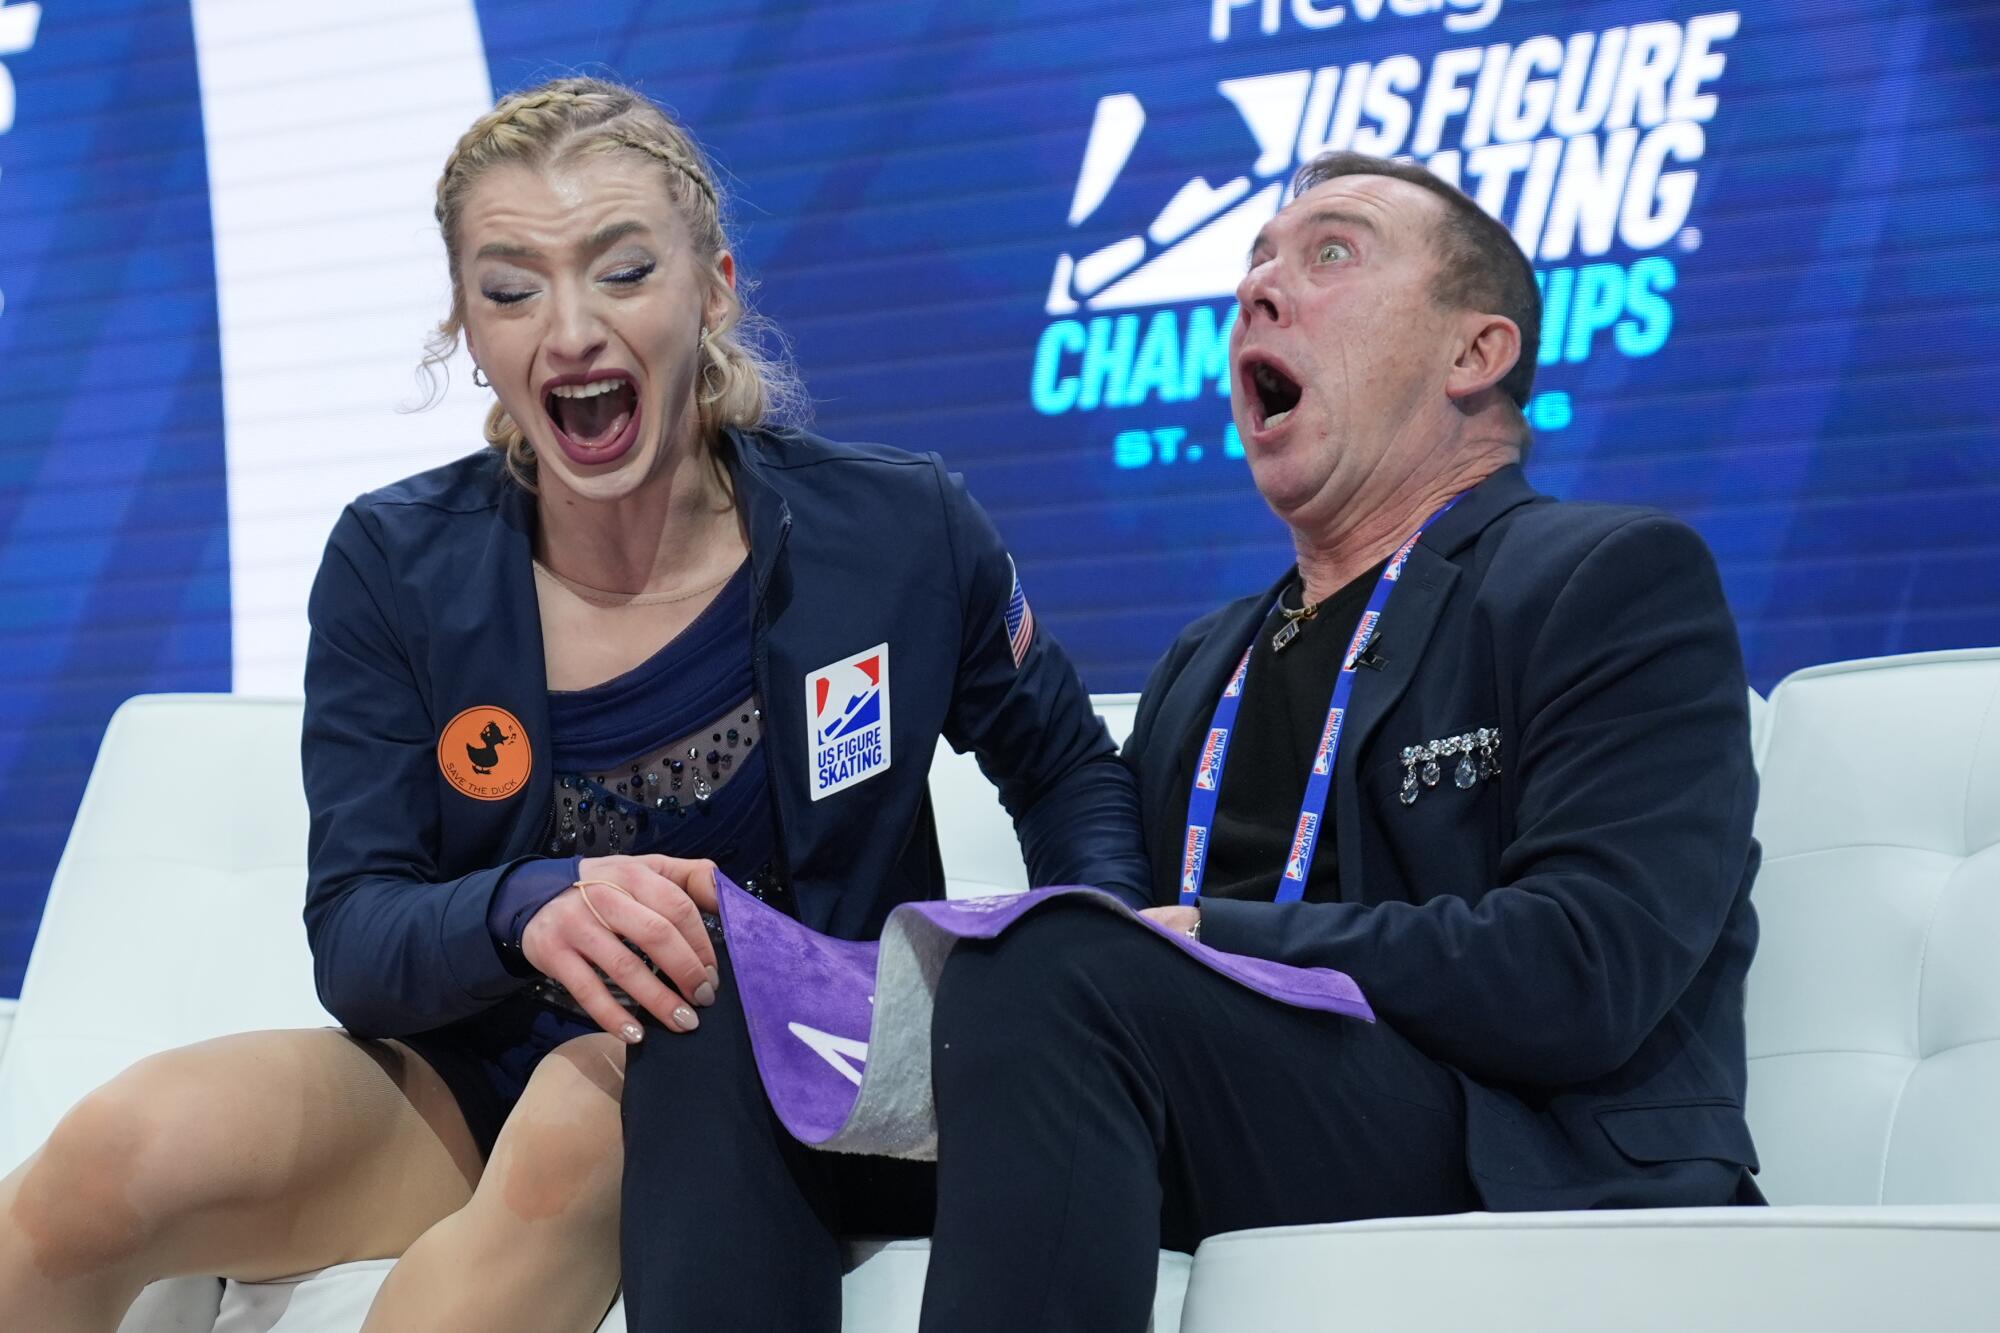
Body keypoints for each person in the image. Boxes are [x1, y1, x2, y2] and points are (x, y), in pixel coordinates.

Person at [0, 77, 1146, 1333]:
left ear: (711, 288)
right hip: (467, 1072)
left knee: (575, 1121)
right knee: (120, 1150)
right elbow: (359, 931)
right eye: (509, 288)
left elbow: (1067, 770)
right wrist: (527, 908)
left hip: (785, 1076)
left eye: (620, 271)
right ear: (467, 329)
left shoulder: (897, 528)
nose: (570, 330)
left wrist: (1085, 992)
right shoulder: (395, 565)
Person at [908, 150, 1765, 1331]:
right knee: (719, 1046)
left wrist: (1218, 940)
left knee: (1054, 969)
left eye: (1328, 255)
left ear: (1475, 353)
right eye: (1254, 260)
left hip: (1513, 1144)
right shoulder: (1205, 656)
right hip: (1227, 1122)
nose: (1258, 288)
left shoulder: (1605, 577)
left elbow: (1585, 966)